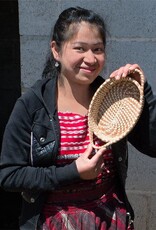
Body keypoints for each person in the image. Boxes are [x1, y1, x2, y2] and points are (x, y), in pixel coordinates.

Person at [0, 6, 156, 230]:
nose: (90, 58)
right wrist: (72, 172)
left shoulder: (113, 100)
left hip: (110, 220)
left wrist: (144, 92)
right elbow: (9, 175)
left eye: (98, 49)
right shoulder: (32, 106)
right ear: (56, 50)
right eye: (80, 48)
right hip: (53, 222)